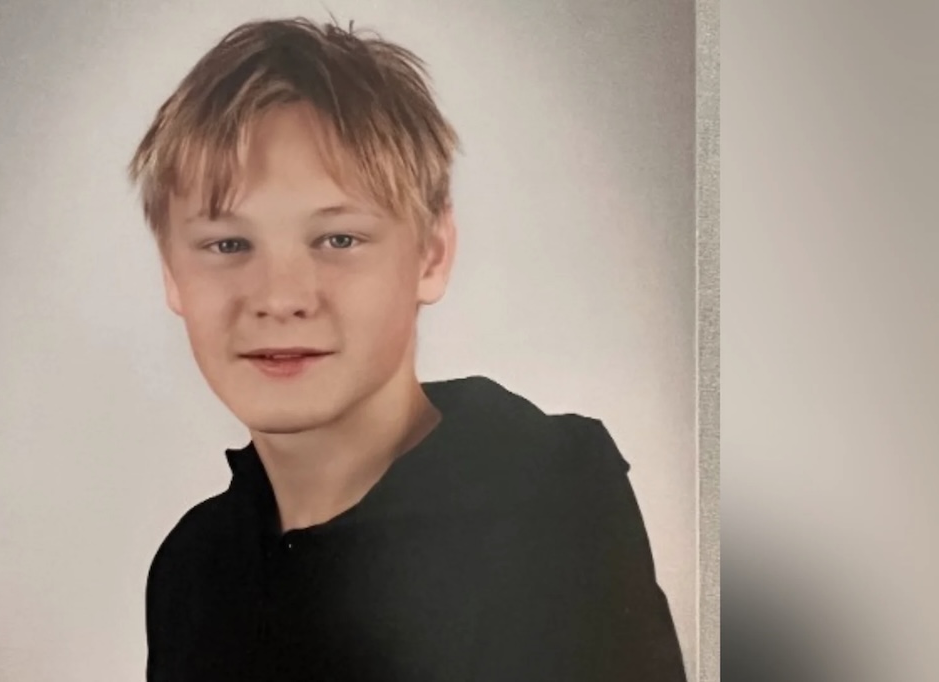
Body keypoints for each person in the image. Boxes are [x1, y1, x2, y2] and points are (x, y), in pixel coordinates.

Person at [128, 16, 686, 682]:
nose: (280, 297)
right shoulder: (192, 568)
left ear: (431, 253)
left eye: (337, 240)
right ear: (171, 274)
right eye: (228, 245)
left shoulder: (547, 505)